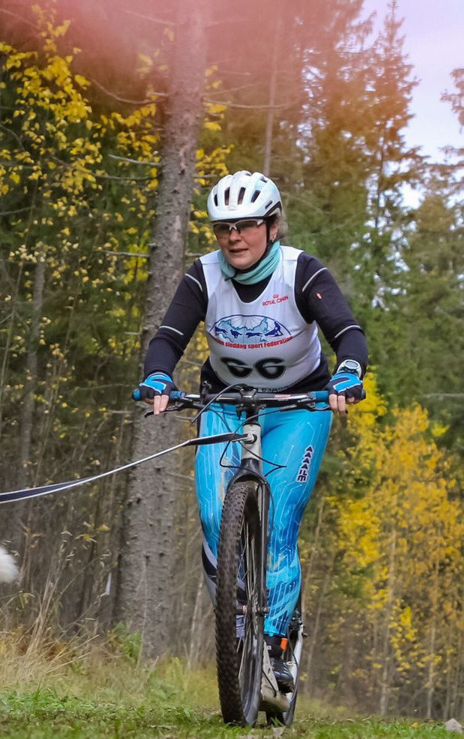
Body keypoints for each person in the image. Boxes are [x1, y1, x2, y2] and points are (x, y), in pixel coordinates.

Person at [135, 170, 367, 692]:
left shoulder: (302, 272)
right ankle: (236, 618)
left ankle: (279, 647)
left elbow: (347, 333)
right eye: (223, 228)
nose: (233, 237)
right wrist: (158, 376)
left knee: (280, 522)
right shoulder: (204, 275)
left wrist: (349, 372)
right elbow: (169, 335)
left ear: (272, 225)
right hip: (225, 401)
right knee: (217, 515)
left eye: (245, 225)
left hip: (299, 405)